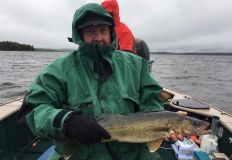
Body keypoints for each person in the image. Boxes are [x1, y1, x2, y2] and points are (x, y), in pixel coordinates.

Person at [17, 3, 185, 160]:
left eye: (103, 30)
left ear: (111, 33)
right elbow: (32, 111)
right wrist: (67, 122)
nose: (98, 37)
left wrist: (164, 128)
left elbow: (152, 102)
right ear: (79, 35)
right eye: (90, 31)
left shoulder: (136, 65)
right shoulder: (58, 70)